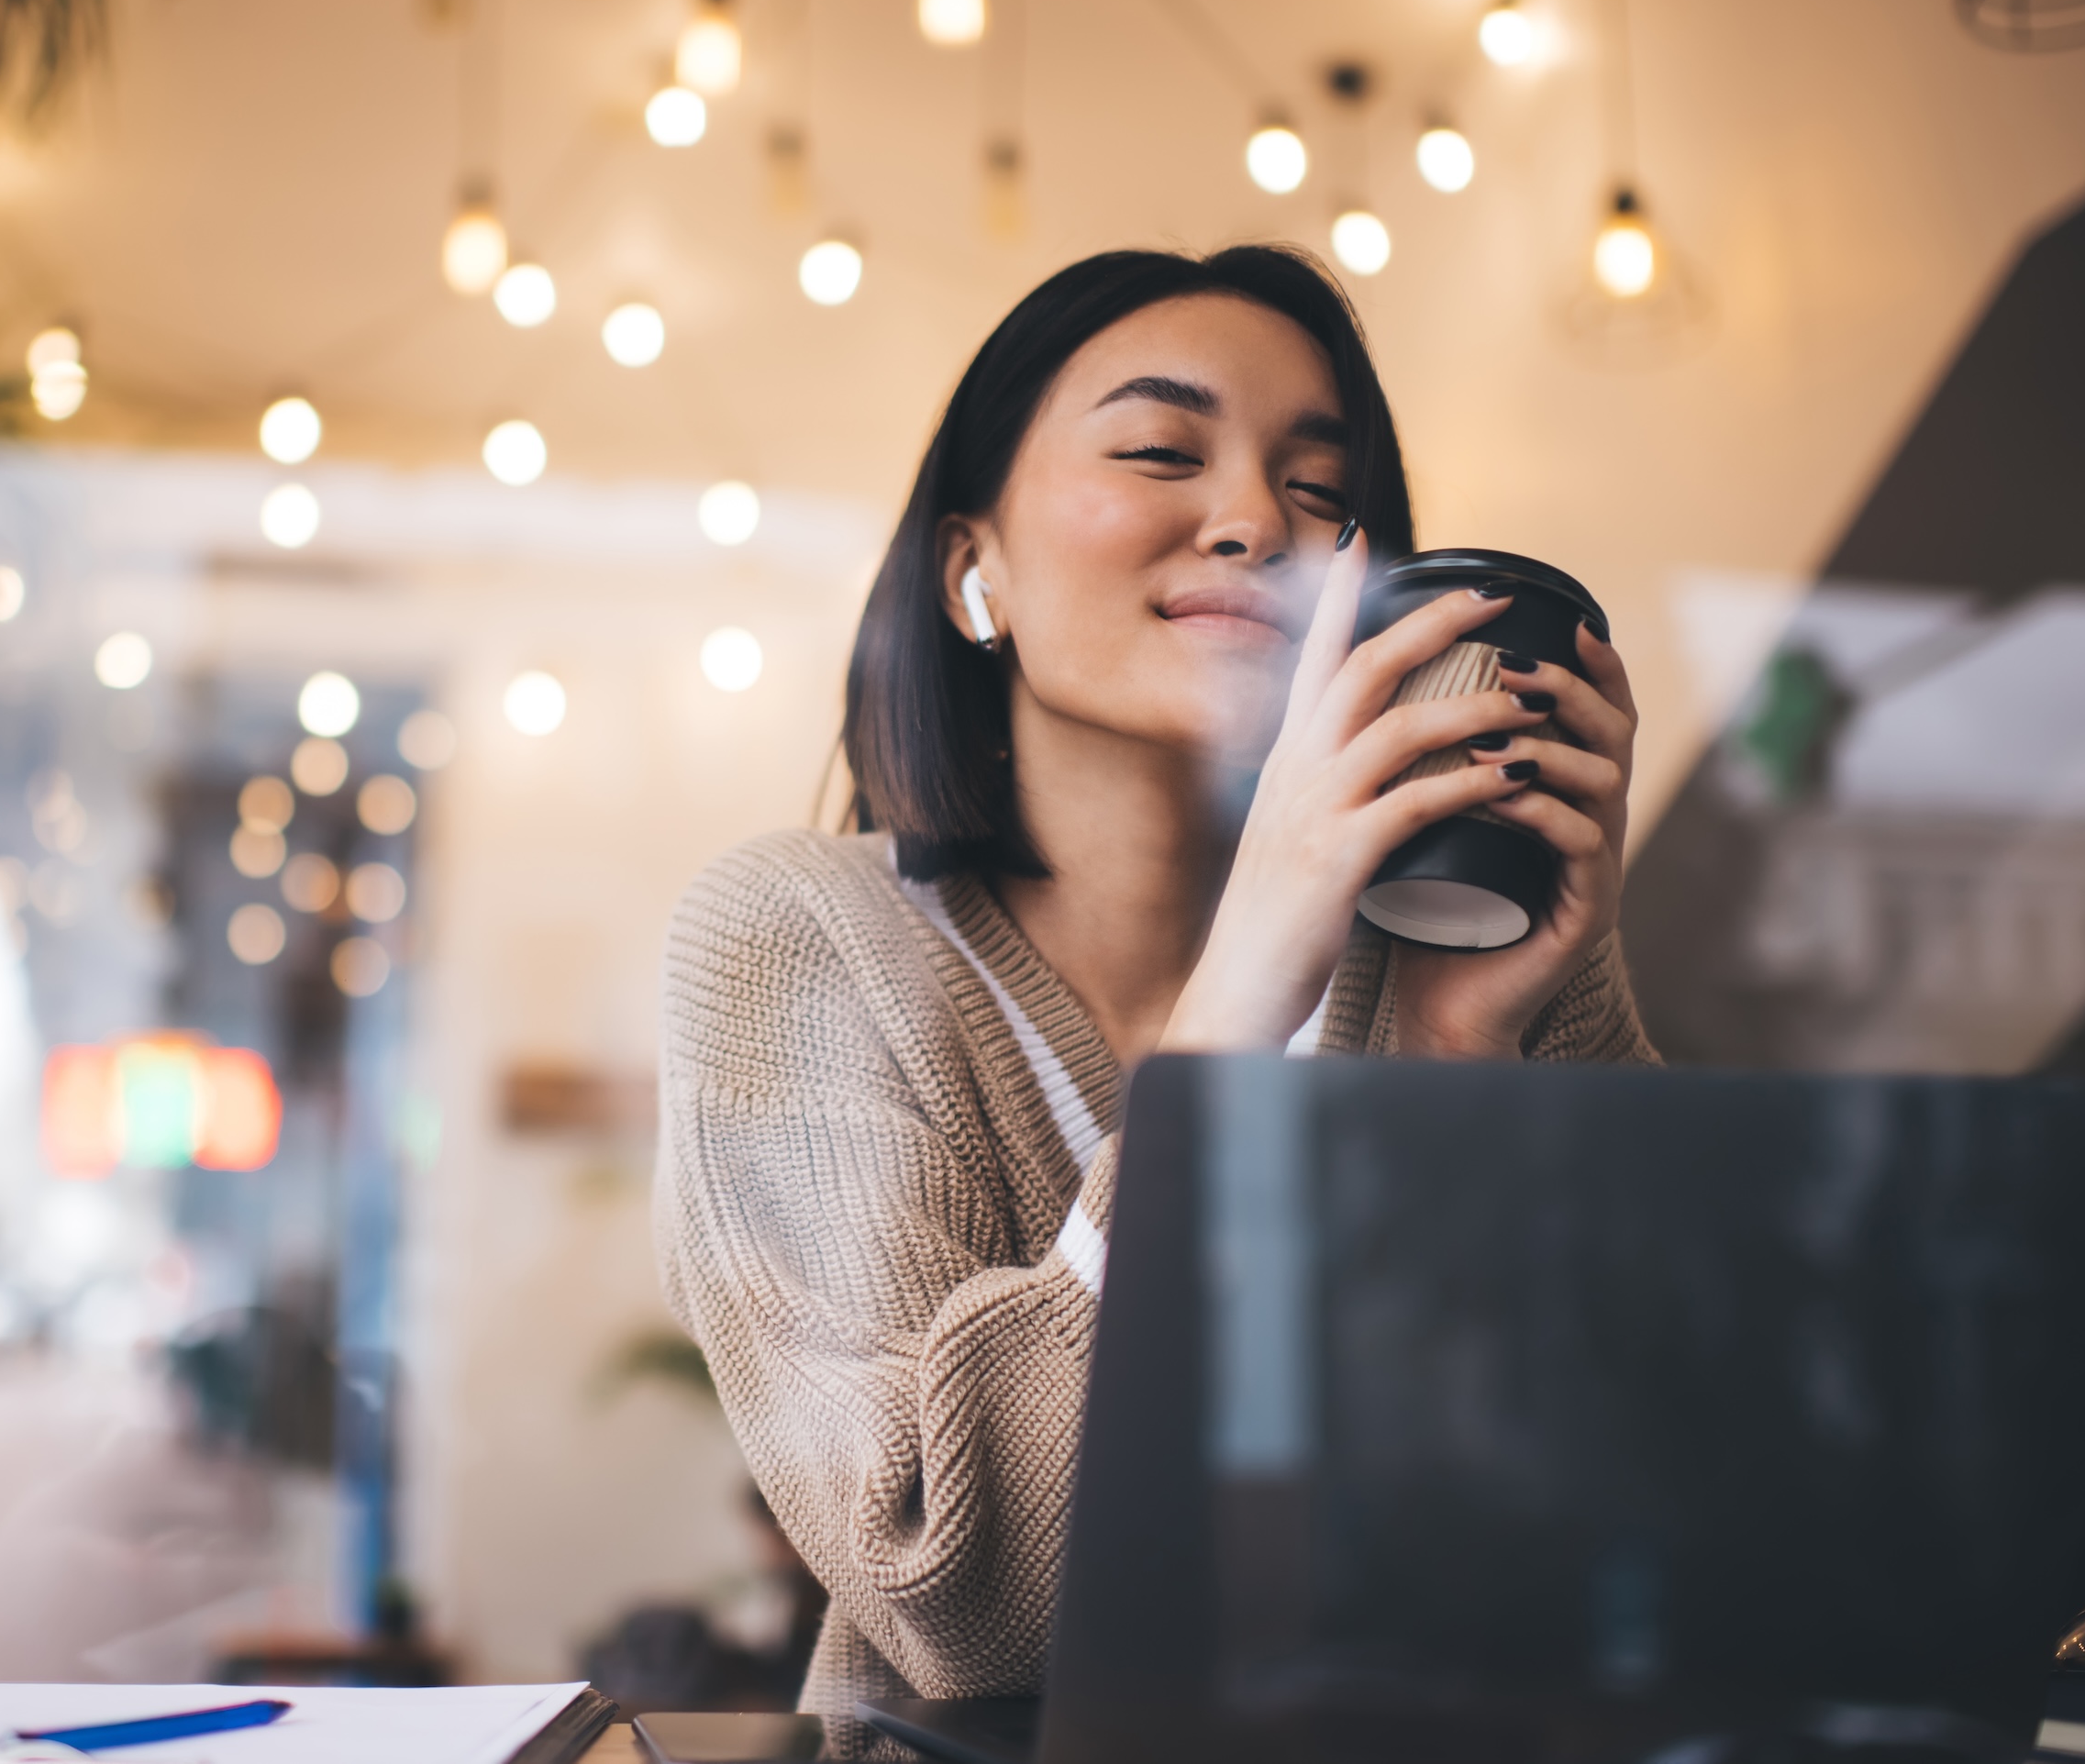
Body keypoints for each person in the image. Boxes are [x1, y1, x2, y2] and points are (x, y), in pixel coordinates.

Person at [653, 245, 1659, 1717]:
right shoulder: (797, 938)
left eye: (1324, 494)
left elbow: (1652, 1511)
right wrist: (1242, 1003)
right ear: (970, 567)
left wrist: (1453, 1070)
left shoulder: (1469, 948)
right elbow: (959, 1591)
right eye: (1158, 451)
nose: (1257, 519)